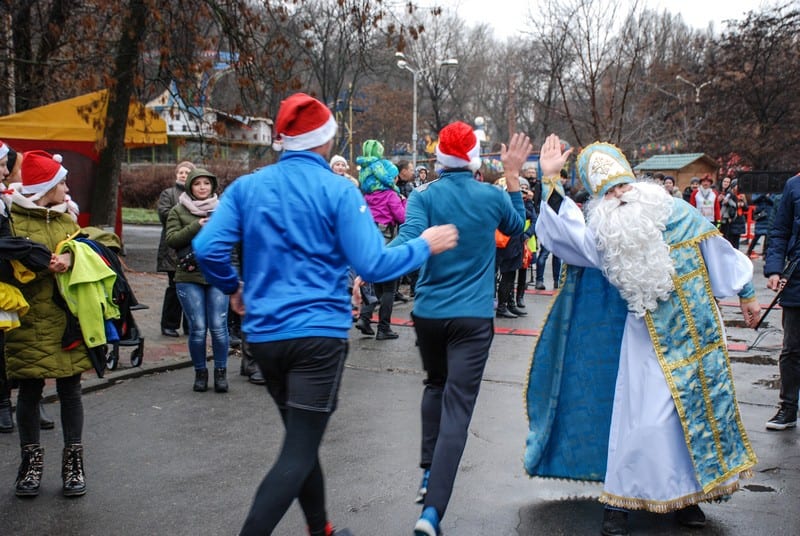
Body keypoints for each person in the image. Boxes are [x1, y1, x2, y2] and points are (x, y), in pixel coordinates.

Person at [192, 92, 458, 536]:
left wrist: (234, 287)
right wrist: (423, 245)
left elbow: (207, 248)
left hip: (265, 338)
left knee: (302, 440)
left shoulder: (247, 187)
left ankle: (322, 530)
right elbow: (374, 264)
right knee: (297, 452)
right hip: (317, 337)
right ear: (325, 141)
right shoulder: (339, 191)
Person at [525, 136, 760, 536]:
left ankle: (688, 499)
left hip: (697, 338)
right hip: (643, 342)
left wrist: (748, 294)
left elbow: (718, 251)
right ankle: (620, 501)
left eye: (623, 185)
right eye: (610, 191)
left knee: (691, 422)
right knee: (642, 421)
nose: (621, 196)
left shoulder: (680, 214)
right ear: (600, 201)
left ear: (636, 182)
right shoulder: (603, 235)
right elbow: (562, 232)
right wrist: (550, 181)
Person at [387, 121, 528, 536]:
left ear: (439, 159)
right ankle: (432, 513)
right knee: (458, 409)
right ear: (474, 160)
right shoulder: (491, 195)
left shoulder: (423, 195)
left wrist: (369, 262)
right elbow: (518, 226)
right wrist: (514, 177)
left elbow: (408, 242)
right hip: (472, 316)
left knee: (434, 385)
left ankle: (429, 473)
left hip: (429, 313)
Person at [6, 150, 100, 498]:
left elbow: (90, 248)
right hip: (28, 321)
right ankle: (30, 466)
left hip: (65, 320)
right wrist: (43, 263)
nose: (66, 186)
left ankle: (73, 464)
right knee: (30, 391)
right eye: (61, 181)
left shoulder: (67, 220)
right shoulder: (12, 220)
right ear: (46, 187)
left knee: (71, 390)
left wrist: (74, 255)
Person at [165, 168, 229, 393]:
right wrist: (196, 226)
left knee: (219, 327)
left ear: (213, 186)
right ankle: (200, 372)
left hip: (217, 275)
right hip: (188, 276)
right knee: (198, 328)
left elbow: (233, 242)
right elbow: (172, 240)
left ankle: (221, 372)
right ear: (190, 187)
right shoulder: (178, 210)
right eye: (197, 184)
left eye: (206, 183)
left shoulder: (224, 211)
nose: (202, 187)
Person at [354, 140, 406, 340]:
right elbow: (402, 217)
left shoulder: (367, 197)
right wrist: (405, 202)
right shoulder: (391, 196)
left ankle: (365, 319)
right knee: (389, 289)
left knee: (374, 283)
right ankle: (383, 328)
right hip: (388, 241)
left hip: (370, 241)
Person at [763, 174, 800, 431]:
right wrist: (774, 270)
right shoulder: (793, 185)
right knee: (792, 348)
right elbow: (779, 230)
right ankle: (788, 408)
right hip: (797, 276)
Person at [157, 161, 194, 337]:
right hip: (172, 250)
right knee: (174, 288)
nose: (183, 175)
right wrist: (185, 213)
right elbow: (164, 214)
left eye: (187, 172)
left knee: (192, 288)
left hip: (192, 249)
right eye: (181, 172)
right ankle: (169, 324)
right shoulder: (168, 194)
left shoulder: (196, 195)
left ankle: (190, 325)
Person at [746, 192, 775, 258]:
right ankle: (749, 251)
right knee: (757, 235)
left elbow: (773, 202)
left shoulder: (773, 192)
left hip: (769, 214)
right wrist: (763, 195)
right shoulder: (758, 191)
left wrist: (766, 198)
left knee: (767, 236)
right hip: (760, 215)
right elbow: (754, 200)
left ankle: (765, 253)